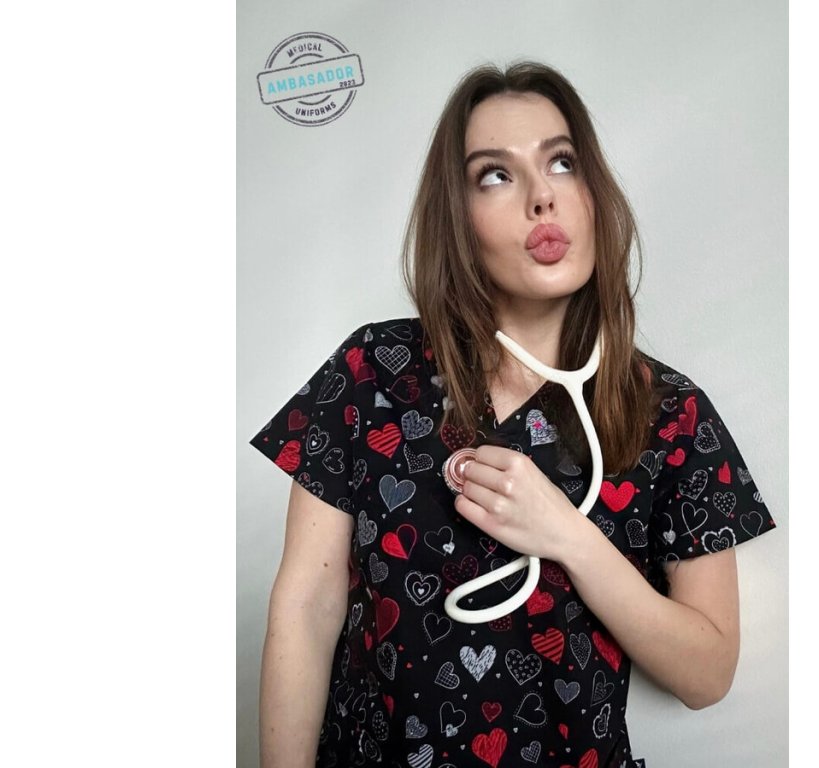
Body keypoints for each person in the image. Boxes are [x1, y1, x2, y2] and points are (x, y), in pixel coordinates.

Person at [250, 61, 775, 768]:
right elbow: (306, 608)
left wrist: (570, 538)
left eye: (562, 163)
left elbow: (707, 676)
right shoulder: (371, 371)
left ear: (594, 194)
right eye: (495, 174)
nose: (541, 198)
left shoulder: (671, 415)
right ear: (457, 217)